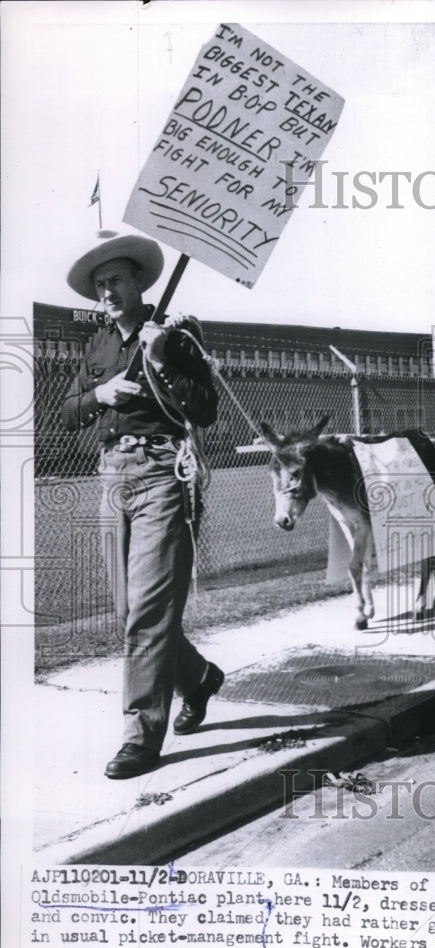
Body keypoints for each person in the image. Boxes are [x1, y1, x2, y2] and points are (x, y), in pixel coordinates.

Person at [62, 234, 223, 779]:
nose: (107, 291)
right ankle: (198, 679)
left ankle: (140, 736)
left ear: (138, 284)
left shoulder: (176, 336)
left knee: (149, 614)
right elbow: (67, 412)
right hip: (112, 476)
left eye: (116, 281)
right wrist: (98, 396)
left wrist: (161, 360)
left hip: (161, 475)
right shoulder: (100, 346)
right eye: (100, 284)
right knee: (129, 614)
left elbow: (205, 410)